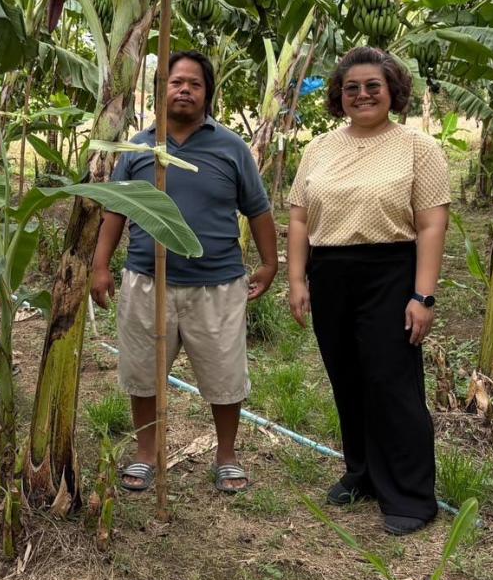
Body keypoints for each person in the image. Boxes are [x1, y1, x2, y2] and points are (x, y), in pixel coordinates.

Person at [90, 51, 279, 495]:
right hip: (146, 280)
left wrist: (270, 264)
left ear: (207, 94)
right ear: (162, 89)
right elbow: (115, 213)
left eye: (195, 84)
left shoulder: (231, 148)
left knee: (224, 375)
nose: (184, 90)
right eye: (176, 82)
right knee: (143, 371)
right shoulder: (138, 147)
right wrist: (101, 266)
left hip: (217, 282)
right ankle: (145, 454)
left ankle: (227, 455)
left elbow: (258, 209)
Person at [286, 47, 450, 535]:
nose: (362, 95)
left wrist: (422, 297)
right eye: (351, 88)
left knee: (391, 383)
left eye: (373, 87)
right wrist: (297, 279)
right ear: (339, 96)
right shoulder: (318, 148)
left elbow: (432, 224)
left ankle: (410, 495)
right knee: (348, 378)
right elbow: (298, 216)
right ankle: (361, 472)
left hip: (390, 270)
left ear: (392, 91)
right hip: (331, 271)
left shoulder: (418, 149)